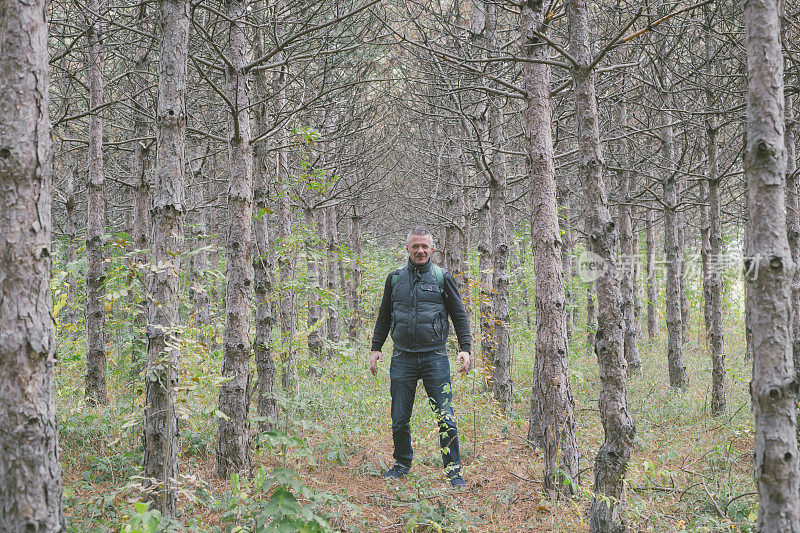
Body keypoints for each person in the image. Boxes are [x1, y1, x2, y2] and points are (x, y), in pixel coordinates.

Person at [370, 226, 472, 488]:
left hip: (435, 358)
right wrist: (376, 347)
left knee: (445, 416)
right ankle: (402, 464)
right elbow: (383, 316)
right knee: (400, 416)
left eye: (425, 246)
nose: (420, 251)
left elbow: (459, 315)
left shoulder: (442, 278)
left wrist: (465, 348)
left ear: (432, 248)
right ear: (407, 248)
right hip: (402, 357)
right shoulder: (394, 279)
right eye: (415, 246)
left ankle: (453, 471)